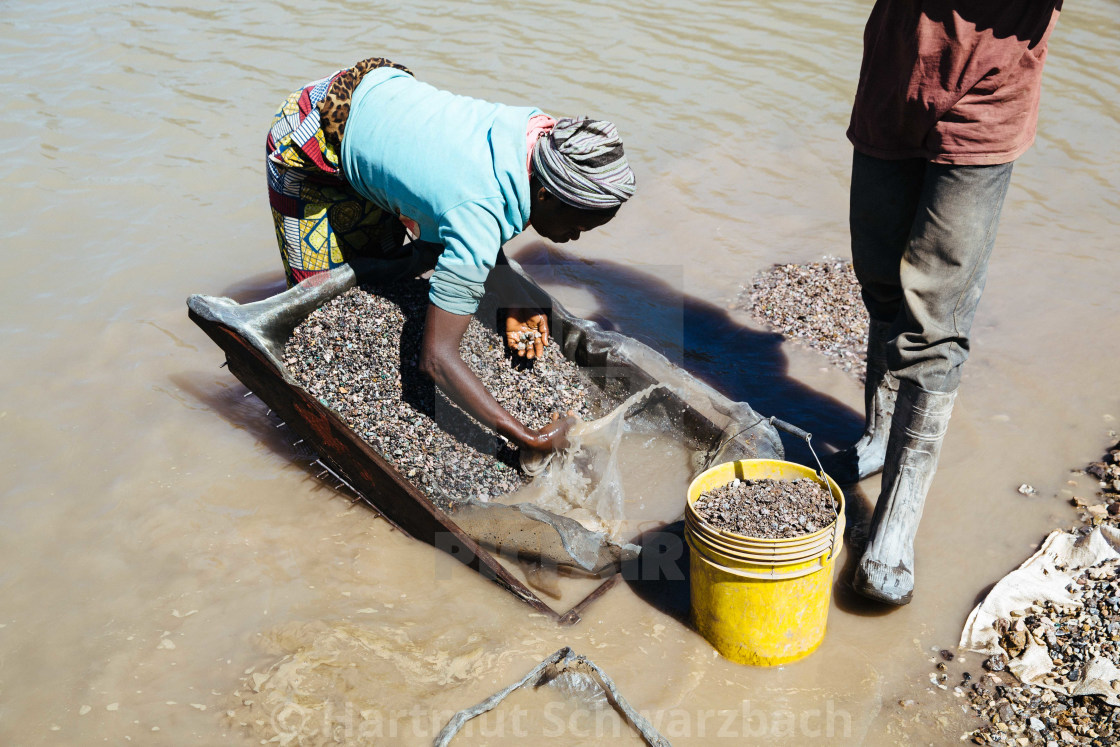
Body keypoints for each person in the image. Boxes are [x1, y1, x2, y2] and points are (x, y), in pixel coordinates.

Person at [264, 58, 635, 456]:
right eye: (577, 224)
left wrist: (517, 304)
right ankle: (288, 431)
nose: (574, 237)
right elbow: (437, 360)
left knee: (391, 264)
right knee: (317, 311)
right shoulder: (477, 216)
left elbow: (476, 211)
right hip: (312, 137)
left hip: (384, 99)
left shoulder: (538, 134)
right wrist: (528, 437)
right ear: (544, 193)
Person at [825, 3, 1062, 604]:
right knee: (878, 279)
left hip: (989, 90)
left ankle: (897, 522)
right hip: (895, 70)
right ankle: (877, 437)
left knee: (935, 316)